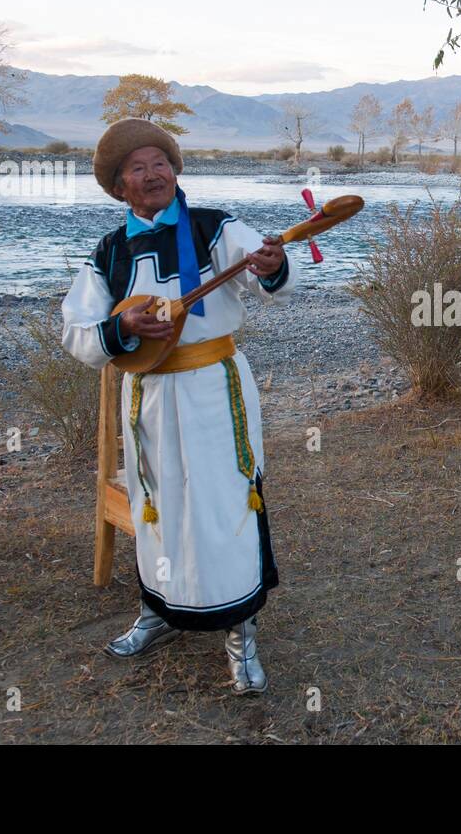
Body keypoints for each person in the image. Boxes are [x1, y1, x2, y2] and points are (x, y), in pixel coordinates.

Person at [61, 117, 296, 694]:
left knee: (226, 504)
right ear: (120, 187)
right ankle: (161, 610)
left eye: (159, 162)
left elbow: (260, 265)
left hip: (215, 387)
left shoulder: (213, 227)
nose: (152, 174)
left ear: (174, 170)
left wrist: (270, 264)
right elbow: (77, 330)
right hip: (150, 397)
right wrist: (121, 328)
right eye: (136, 168)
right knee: (157, 504)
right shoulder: (110, 253)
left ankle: (241, 634)